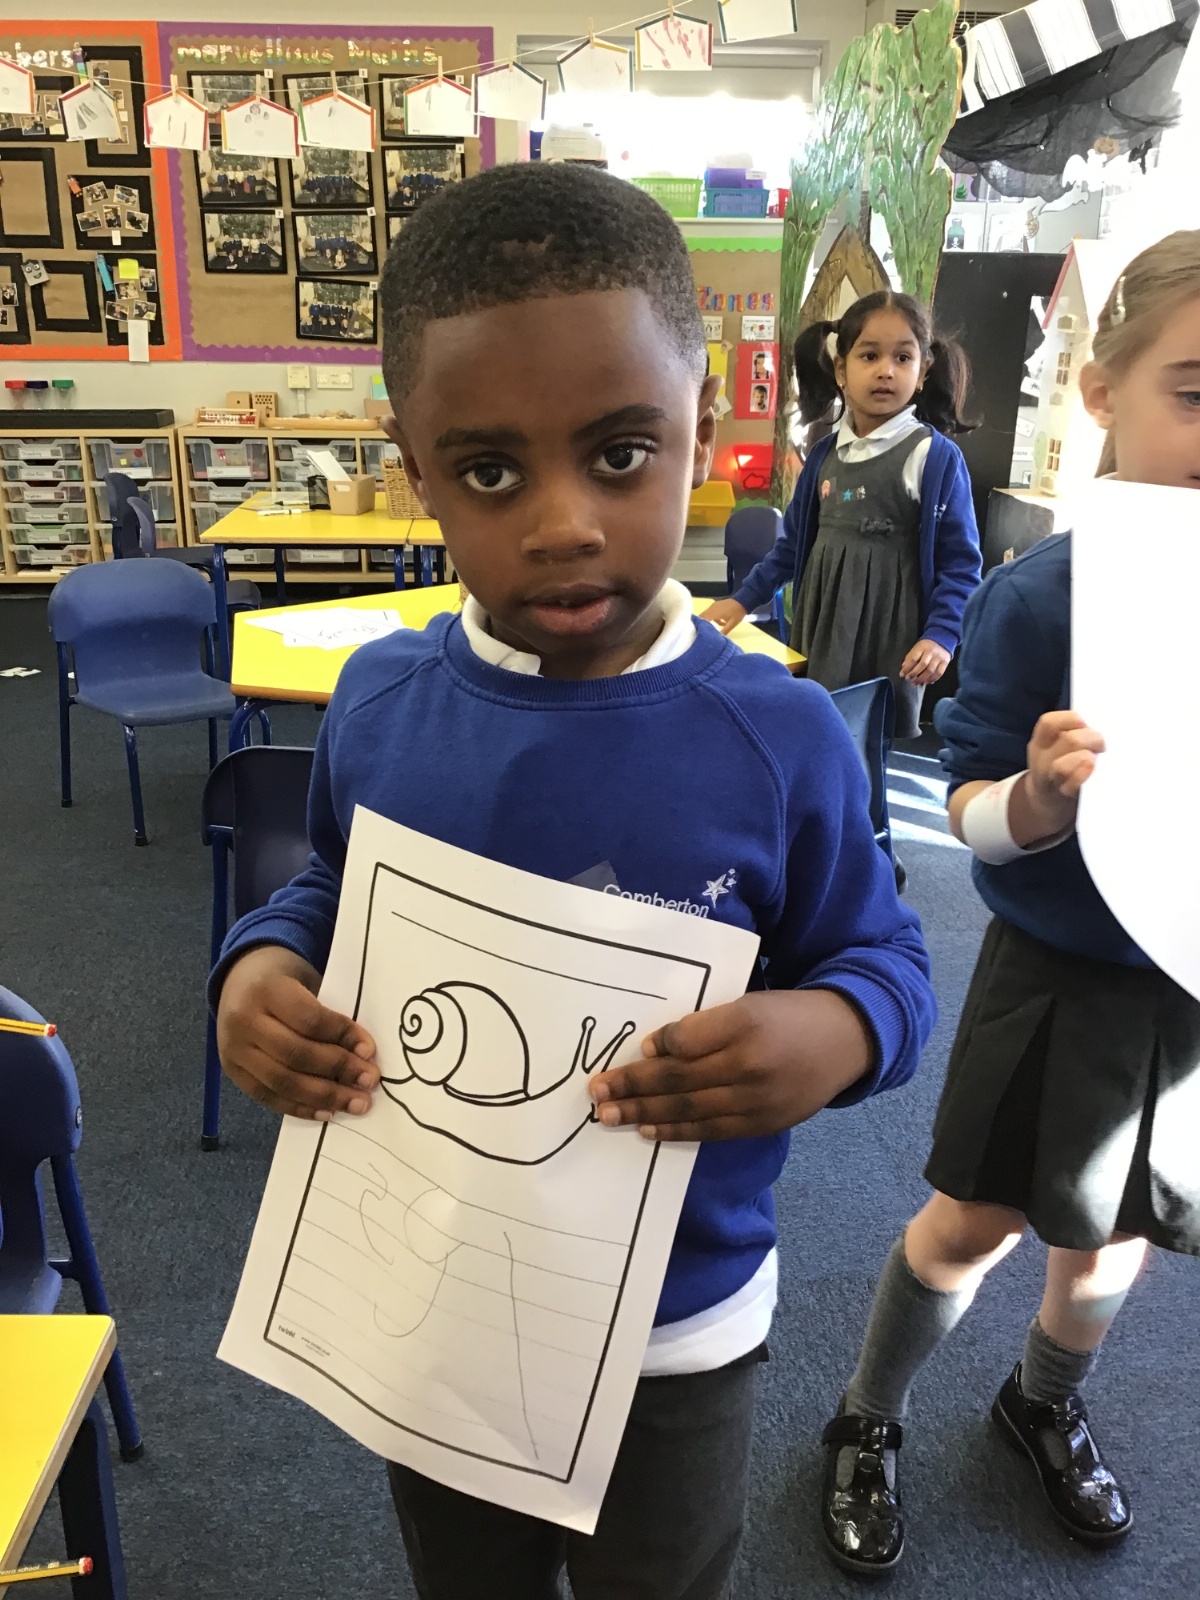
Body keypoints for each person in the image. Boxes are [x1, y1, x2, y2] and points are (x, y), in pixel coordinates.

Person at [212, 161, 936, 1600]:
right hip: (430, 1294)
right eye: (490, 471)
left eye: (620, 454)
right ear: (416, 467)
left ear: (702, 431)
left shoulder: (778, 734)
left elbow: (888, 960)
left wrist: (836, 1031)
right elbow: (335, 890)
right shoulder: (382, 704)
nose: (561, 523)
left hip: (678, 1325)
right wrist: (261, 966)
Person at [817, 230, 1200, 1577]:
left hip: (1185, 983)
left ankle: (1042, 1398)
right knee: (973, 1220)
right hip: (1059, 967)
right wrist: (1036, 799)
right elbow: (970, 804)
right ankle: (867, 1413)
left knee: (1121, 1229)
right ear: (1102, 393)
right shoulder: (1046, 599)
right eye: (1194, 393)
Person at [703, 291, 982, 740]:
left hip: (888, 639)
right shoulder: (824, 456)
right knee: (813, 732)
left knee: (864, 744)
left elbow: (961, 565)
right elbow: (791, 545)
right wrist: (741, 600)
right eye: (869, 355)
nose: (886, 370)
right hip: (820, 628)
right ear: (840, 370)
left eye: (903, 357)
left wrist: (942, 635)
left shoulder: (933, 457)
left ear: (924, 371)